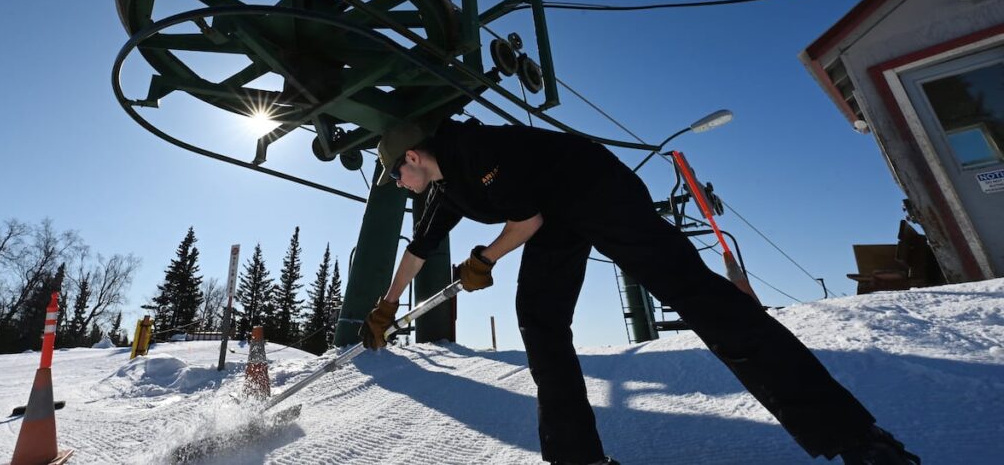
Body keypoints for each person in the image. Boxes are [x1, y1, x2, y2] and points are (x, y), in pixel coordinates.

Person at [359, 118, 920, 465]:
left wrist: (485, 258)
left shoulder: (473, 148)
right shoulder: (445, 189)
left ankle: (858, 438)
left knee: (695, 294)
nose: (398, 185)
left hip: (597, 189)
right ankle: (577, 458)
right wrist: (386, 305)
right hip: (553, 216)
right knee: (539, 319)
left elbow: (524, 221)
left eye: (395, 175)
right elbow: (419, 249)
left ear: (412, 157)